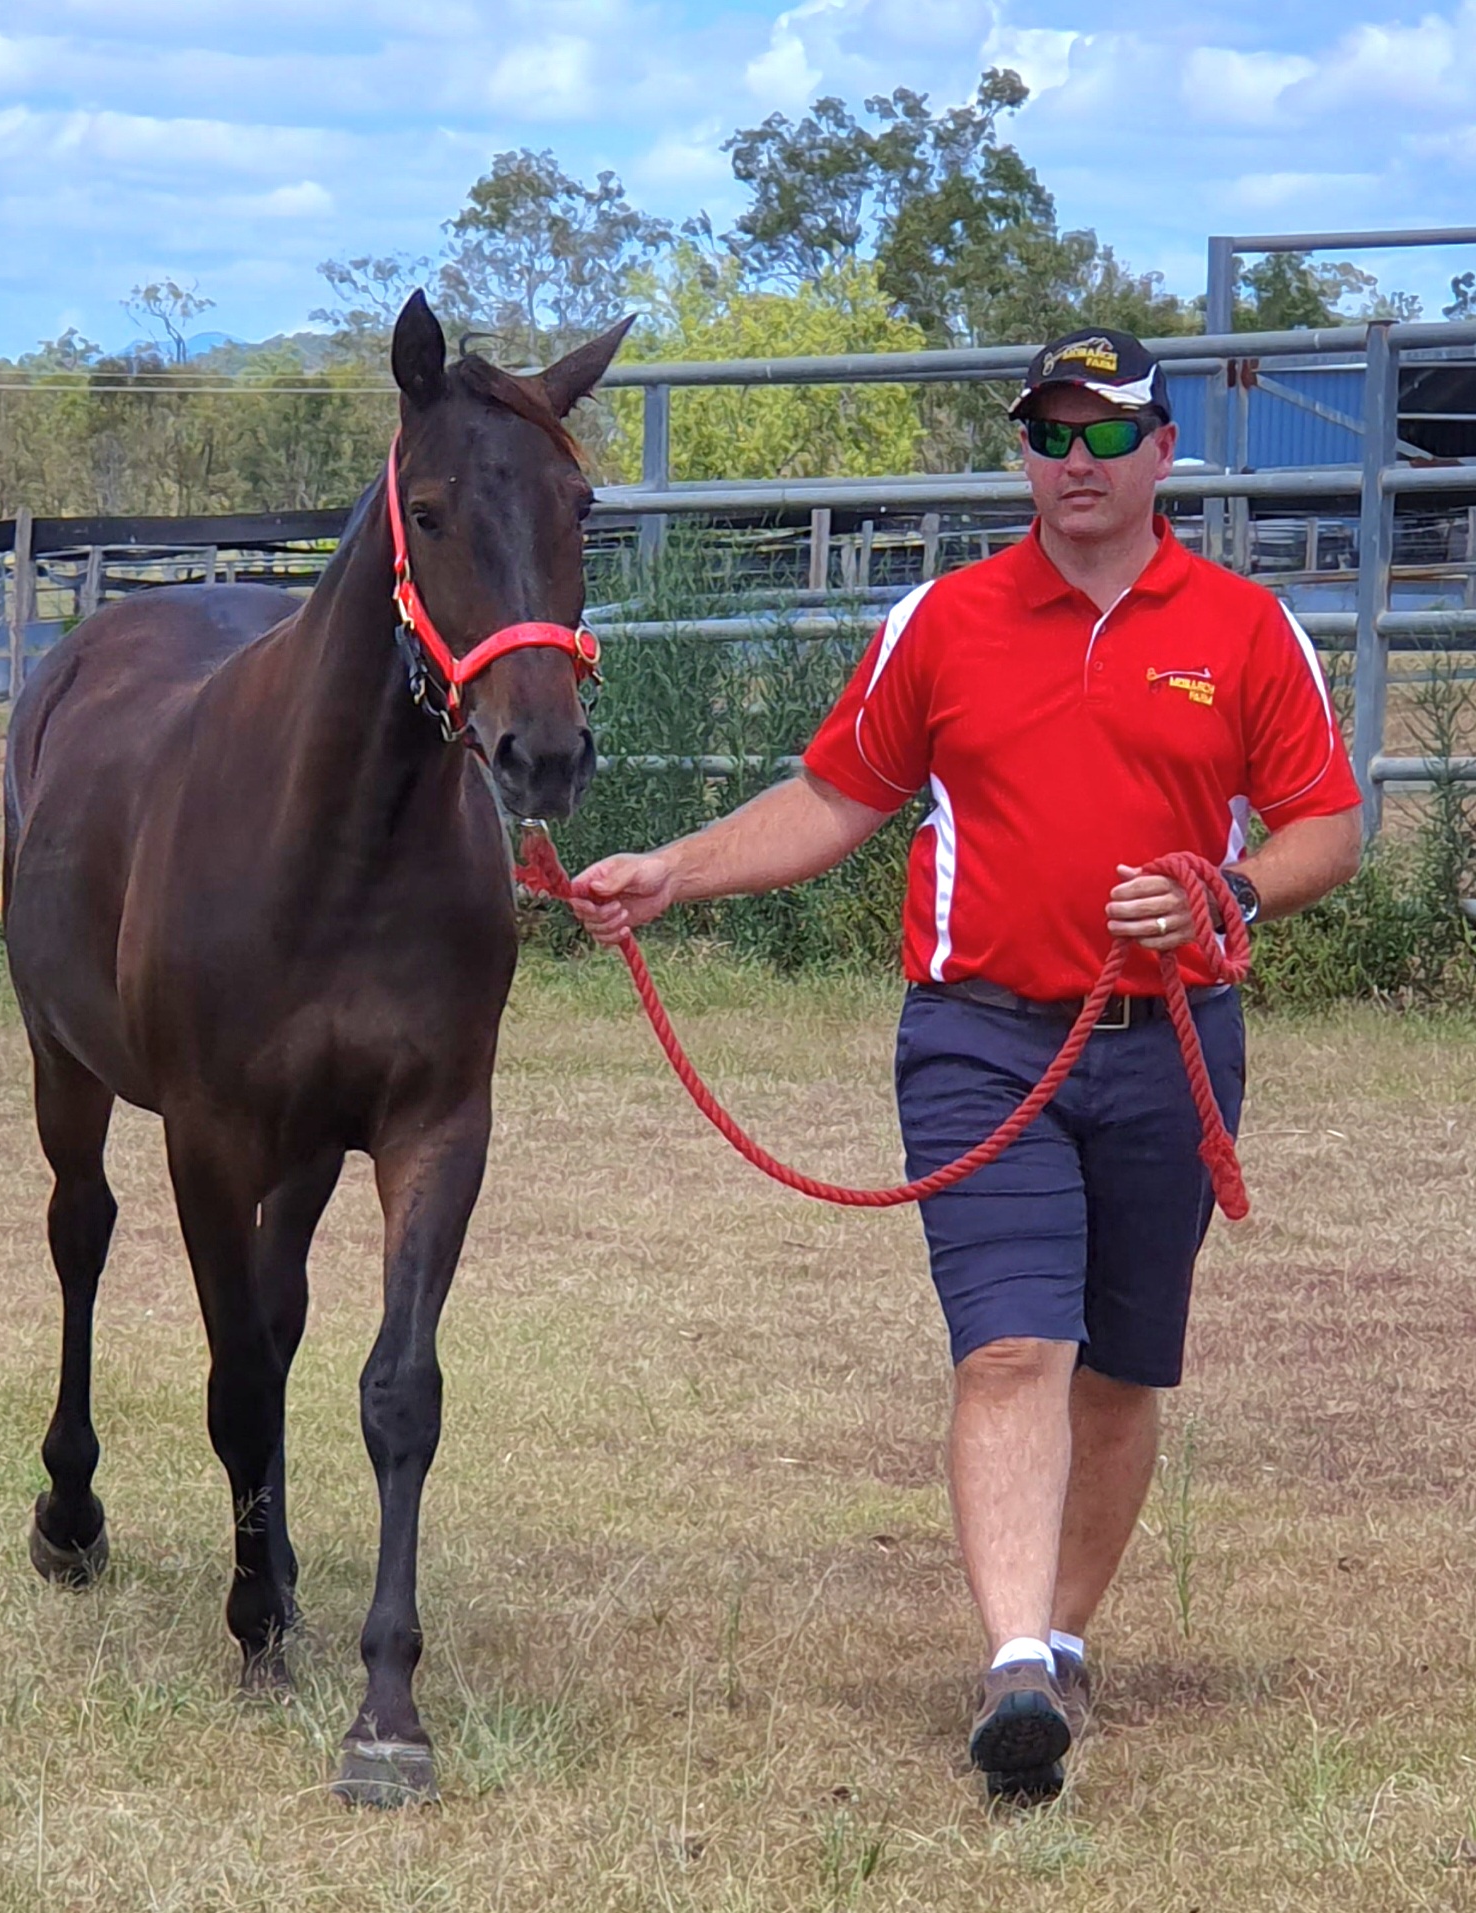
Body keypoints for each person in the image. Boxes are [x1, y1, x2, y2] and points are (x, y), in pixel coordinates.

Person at [568, 328, 1362, 1803]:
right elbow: (835, 797)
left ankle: (1062, 1640)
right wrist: (676, 870)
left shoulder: (1248, 630)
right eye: (1050, 434)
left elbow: (1328, 824)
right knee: (1009, 1347)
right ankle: (1012, 1667)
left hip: (1172, 1046)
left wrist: (1231, 894)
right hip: (979, 1040)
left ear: (1163, 452)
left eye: (1105, 433)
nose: (1076, 460)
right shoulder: (941, 621)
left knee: (1120, 1370)